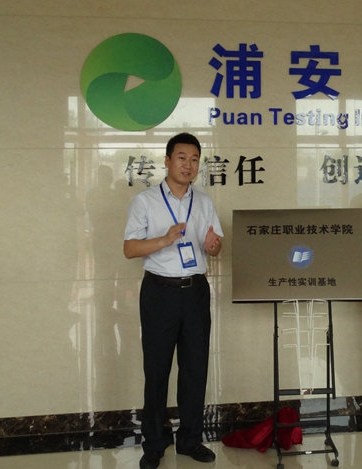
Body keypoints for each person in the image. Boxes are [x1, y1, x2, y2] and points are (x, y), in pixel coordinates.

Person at [123, 132, 224, 469]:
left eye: (194, 159)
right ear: (167, 161)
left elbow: (216, 245)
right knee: (157, 370)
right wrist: (163, 240)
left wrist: (213, 247)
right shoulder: (145, 201)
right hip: (159, 292)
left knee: (195, 369)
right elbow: (129, 248)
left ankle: (190, 440)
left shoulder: (204, 202)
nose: (188, 165)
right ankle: (154, 443)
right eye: (181, 158)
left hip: (195, 291)